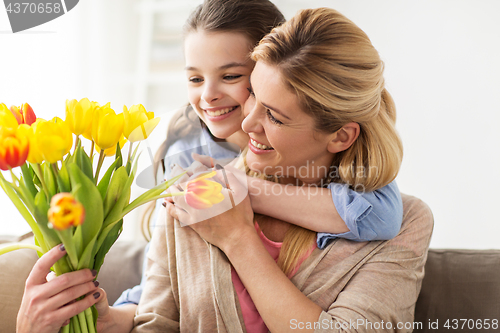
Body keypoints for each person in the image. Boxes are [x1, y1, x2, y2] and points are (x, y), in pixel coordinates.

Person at [16, 2, 406, 333]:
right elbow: (160, 295)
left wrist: (238, 196)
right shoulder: (188, 154)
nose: (208, 96)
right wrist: (103, 316)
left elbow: (381, 216)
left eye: (233, 77)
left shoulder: (373, 201)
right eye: (194, 78)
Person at [132, 7, 433, 333]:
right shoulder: (197, 187)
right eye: (253, 95)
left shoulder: (406, 221)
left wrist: (238, 238)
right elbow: (154, 323)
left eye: (274, 116)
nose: (246, 124)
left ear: (340, 136)